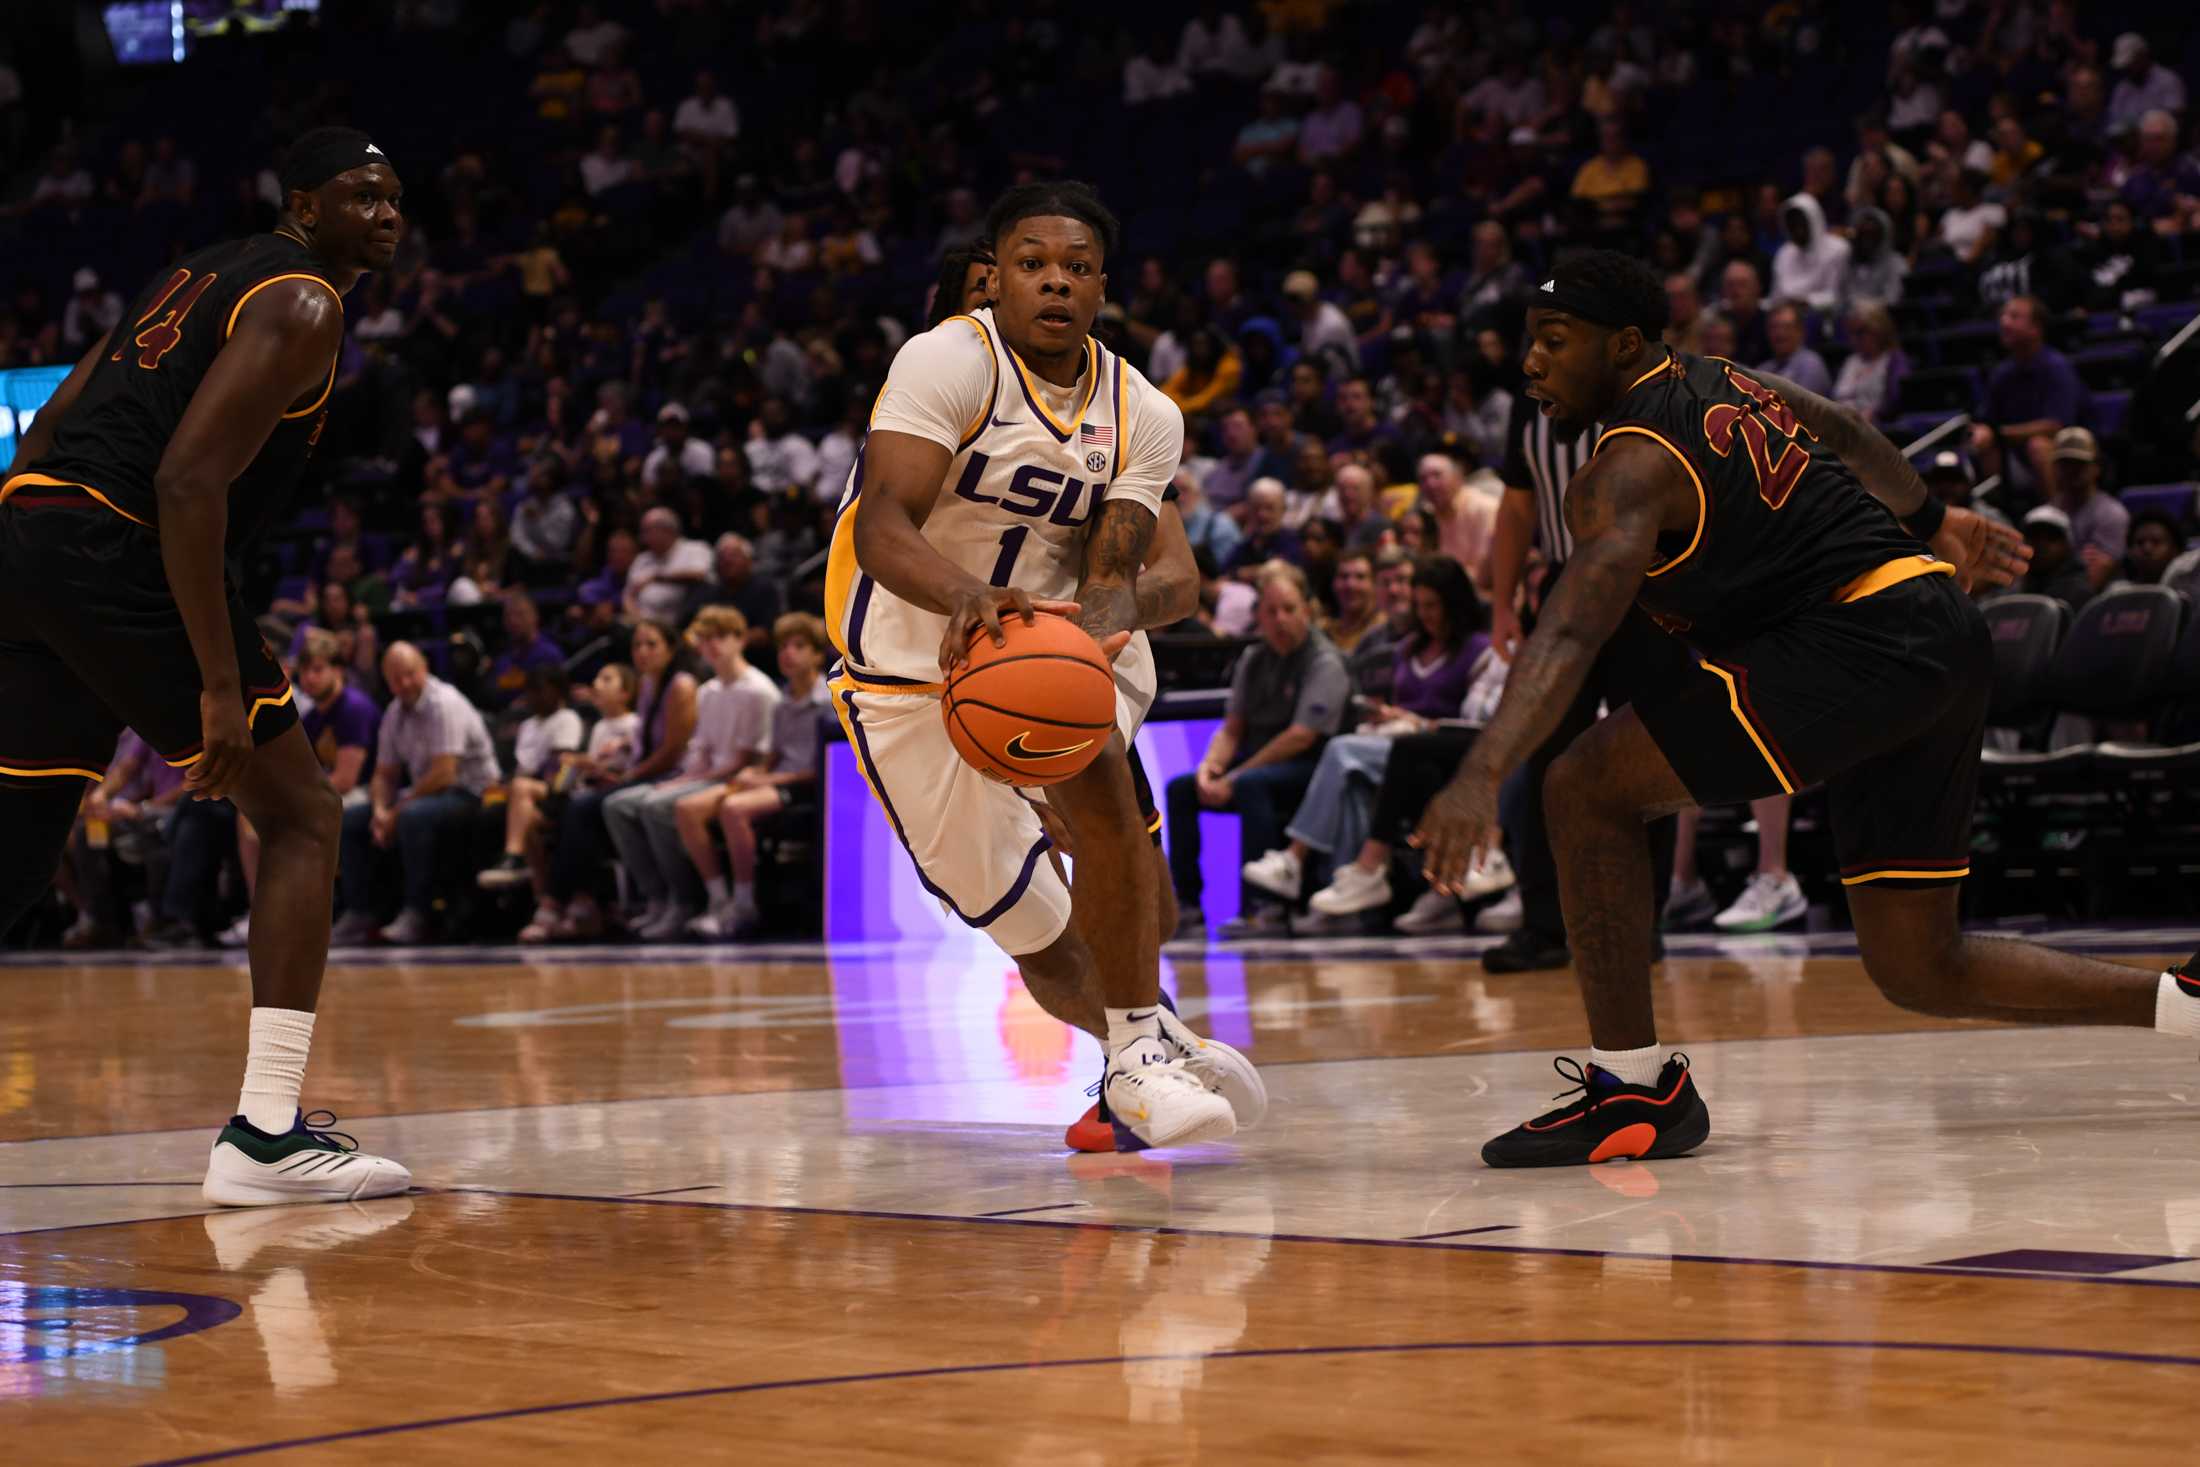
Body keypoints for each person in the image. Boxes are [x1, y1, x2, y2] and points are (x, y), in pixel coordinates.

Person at [1401, 253, 2200, 1176]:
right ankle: (2185, 1002)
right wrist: (1932, 518)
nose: (1531, 365)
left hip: (1862, 637)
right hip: (1934, 626)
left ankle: (1636, 1091)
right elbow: (1843, 428)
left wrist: (1479, 772)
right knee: (1917, 965)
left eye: (1554, 342)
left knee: (1584, 787)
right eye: (1530, 344)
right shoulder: (1726, 379)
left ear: (1623, 346)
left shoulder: (1624, 468)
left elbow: (1575, 625)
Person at [0, 126, 409, 1204]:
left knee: (14, 852)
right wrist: (219, 687)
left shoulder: (191, 272)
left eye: (394, 198)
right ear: (305, 203)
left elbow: (49, 427)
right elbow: (187, 484)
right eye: (362, 196)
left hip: (29, 531)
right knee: (303, 816)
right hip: (117, 543)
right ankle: (266, 1136)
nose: (386, 214)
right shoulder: (307, 302)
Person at [831, 179, 1260, 1149]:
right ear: (996, 280)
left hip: (1037, 654)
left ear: (1104, 284)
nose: (1053, 285)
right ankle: (1147, 1051)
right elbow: (881, 527)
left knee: (1129, 854)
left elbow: (1144, 573)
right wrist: (964, 598)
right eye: (1031, 266)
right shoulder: (946, 360)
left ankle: (1137, 1055)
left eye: (1075, 268)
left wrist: (1091, 623)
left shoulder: (1141, 410)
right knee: (1030, 923)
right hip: (906, 667)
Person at [1241, 555, 1488, 910]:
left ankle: (1296, 858)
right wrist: (1385, 718)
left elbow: (1471, 722)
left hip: (1445, 750)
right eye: (1420, 606)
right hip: (1399, 745)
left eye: (1434, 605)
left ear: (1454, 603)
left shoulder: (1477, 650)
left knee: (1342, 752)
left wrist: (1416, 723)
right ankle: (1347, 889)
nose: (1427, 614)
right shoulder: (1408, 648)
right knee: (1353, 782)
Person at [1166, 561, 1350, 937]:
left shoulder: (1325, 660)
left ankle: (1262, 906)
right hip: (1256, 767)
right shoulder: (1254, 659)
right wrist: (1210, 769)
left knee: (1253, 786)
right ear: (1258, 617)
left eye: (1289, 609)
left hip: (1313, 771)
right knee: (1182, 789)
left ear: (1307, 610)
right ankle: (1187, 906)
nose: (1280, 619)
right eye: (1270, 611)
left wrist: (1236, 775)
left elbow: (1302, 736)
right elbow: (1232, 728)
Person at [605, 606, 779, 939]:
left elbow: (745, 760)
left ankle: (693, 900)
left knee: (657, 806)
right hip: (707, 775)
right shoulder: (708, 691)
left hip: (734, 779)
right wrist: (682, 779)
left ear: (740, 640)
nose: (712, 646)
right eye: (705, 639)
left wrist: (691, 781)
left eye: (721, 637)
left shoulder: (758, 689)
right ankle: (659, 899)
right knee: (619, 805)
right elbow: (701, 752)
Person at [218, 630, 379, 949]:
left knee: (296, 819)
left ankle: (318, 914)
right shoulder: (312, 717)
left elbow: (346, 779)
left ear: (338, 670)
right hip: (332, 794)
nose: (310, 678)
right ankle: (263, 911)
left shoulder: (354, 708)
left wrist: (290, 800)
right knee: (249, 815)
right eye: (305, 671)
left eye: (318, 669)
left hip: (365, 794)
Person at [333, 642, 500, 947]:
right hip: (428, 794)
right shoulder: (394, 713)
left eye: (410, 674)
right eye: (396, 678)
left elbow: (444, 773)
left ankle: (418, 913)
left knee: (412, 817)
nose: (404, 683)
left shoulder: (445, 703)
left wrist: (395, 813)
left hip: (473, 793)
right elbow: (385, 773)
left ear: (424, 669)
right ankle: (360, 912)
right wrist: (382, 810)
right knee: (354, 820)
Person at [685, 612, 832, 938]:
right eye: (783, 646)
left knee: (734, 808)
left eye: (798, 646)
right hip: (777, 780)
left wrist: (768, 779)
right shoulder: (783, 702)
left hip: (808, 788)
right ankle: (718, 901)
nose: (787, 653)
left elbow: (823, 768)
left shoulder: (829, 702)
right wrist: (757, 770)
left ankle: (744, 904)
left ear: (817, 655)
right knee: (696, 805)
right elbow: (777, 755)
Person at [513, 663, 639, 941]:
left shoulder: (633, 724)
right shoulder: (599, 727)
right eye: (597, 677)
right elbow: (591, 770)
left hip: (614, 798)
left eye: (607, 679)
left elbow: (631, 772)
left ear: (626, 693)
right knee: (534, 823)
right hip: (588, 794)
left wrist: (595, 768)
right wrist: (579, 767)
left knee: (576, 817)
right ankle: (564, 902)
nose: (597, 683)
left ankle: (559, 903)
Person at [475, 665, 583, 890]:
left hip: (558, 788)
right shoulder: (527, 725)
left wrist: (518, 784)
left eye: (539, 690)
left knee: (521, 787)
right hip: (526, 792)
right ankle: (545, 900)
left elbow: (562, 769)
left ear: (557, 691)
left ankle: (513, 856)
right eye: (529, 691)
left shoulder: (567, 718)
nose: (533, 697)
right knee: (502, 807)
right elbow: (521, 768)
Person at [1969, 295, 2084, 496]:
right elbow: (1988, 419)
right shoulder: (2002, 373)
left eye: (2014, 316)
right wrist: (1983, 432)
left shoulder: (2056, 367)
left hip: (2064, 454)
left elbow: (2055, 426)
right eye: (2003, 316)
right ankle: (1995, 511)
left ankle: (2054, 515)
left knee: (2038, 446)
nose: (2004, 322)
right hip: (2015, 456)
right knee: (1986, 443)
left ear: (2036, 328)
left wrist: (2001, 434)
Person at [2045, 427, 2130, 593]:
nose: (2071, 470)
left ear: (2096, 468)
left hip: (2098, 597)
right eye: (2065, 464)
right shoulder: (2047, 512)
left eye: (2079, 464)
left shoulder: (2111, 513)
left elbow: (2096, 576)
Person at [624, 506, 714, 622]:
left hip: (681, 623)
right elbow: (628, 595)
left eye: (647, 531)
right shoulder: (642, 559)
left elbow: (700, 576)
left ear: (667, 531)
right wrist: (638, 620)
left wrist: (657, 577)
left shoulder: (695, 549)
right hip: (643, 624)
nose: (643, 538)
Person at [2018, 504, 2096, 614]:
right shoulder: (2016, 587)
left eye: (2051, 537)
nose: (2041, 544)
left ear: (2067, 545)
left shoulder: (2078, 593)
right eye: (2034, 536)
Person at [1755, 300, 1832, 398]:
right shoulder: (1764, 369)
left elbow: (1802, 409)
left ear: (1800, 331)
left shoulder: (1811, 364)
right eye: (1774, 327)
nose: (1780, 334)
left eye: (1786, 327)